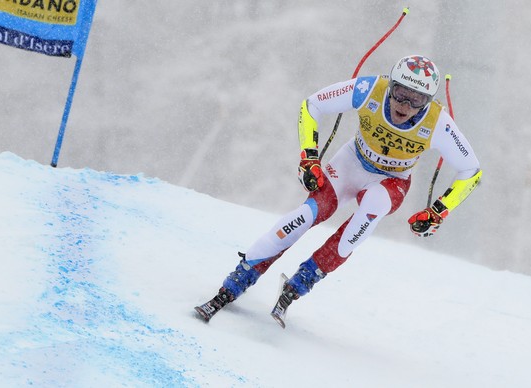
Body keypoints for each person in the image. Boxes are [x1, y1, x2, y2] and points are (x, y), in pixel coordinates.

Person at [194, 54, 482, 328]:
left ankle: (300, 283)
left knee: (368, 214)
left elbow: (471, 170)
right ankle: (238, 279)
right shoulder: (370, 88)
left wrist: (439, 211)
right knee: (307, 215)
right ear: (390, 85)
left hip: (390, 181)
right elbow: (312, 105)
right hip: (350, 164)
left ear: (428, 101)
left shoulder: (438, 122)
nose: (405, 105)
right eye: (400, 93)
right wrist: (309, 156)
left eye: (416, 99)